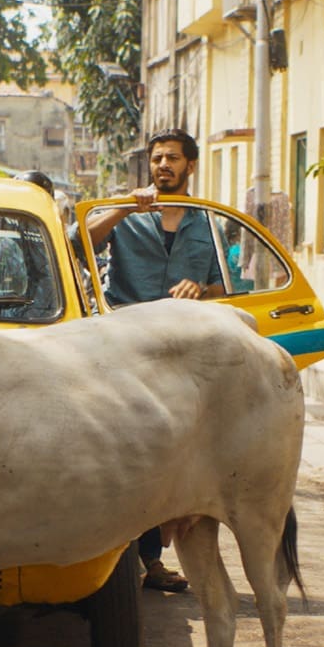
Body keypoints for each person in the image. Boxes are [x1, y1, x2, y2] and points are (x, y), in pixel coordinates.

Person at [84, 128, 225, 593]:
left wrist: (200, 289)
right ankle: (113, 557)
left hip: (183, 354)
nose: (164, 165)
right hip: (126, 350)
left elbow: (225, 286)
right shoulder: (126, 214)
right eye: (158, 158)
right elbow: (78, 242)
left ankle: (150, 559)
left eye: (173, 158)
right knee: (124, 452)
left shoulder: (208, 222)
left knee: (171, 455)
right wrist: (126, 206)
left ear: (190, 166)